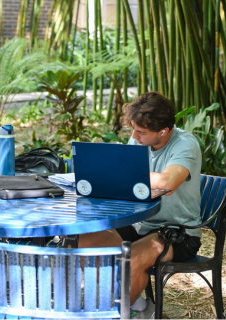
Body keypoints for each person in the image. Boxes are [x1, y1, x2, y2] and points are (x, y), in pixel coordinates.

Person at [78, 91, 202, 318]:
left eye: (141, 132)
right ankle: (142, 307)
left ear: (163, 131)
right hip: (140, 225)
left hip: (178, 233)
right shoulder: (138, 138)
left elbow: (167, 182)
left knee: (132, 259)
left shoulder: (185, 145)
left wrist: (126, 171)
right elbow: (126, 178)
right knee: (81, 241)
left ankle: (114, 312)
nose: (134, 136)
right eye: (133, 129)